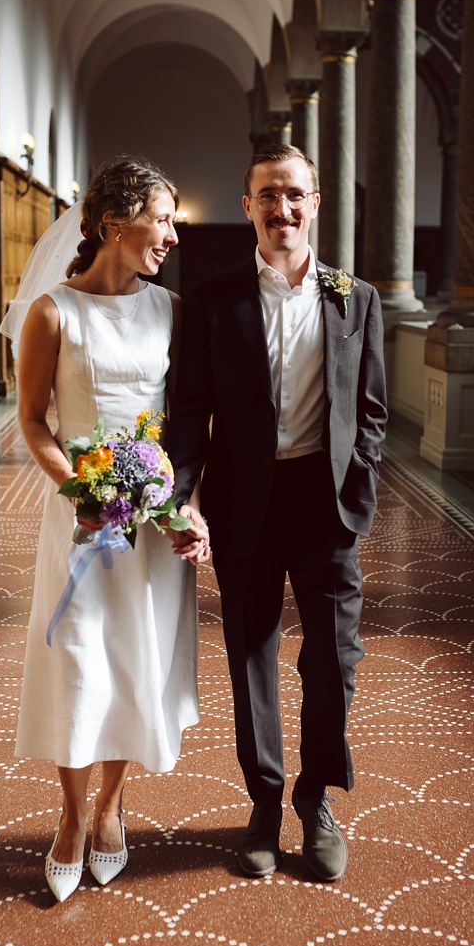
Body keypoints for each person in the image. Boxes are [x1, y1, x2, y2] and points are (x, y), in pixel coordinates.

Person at [166, 143, 387, 884]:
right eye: (267, 196)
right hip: (244, 507)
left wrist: (359, 480)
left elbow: (372, 410)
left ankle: (316, 800)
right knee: (252, 658)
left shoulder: (355, 297)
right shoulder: (214, 297)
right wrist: (184, 497)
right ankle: (264, 804)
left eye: (295, 195)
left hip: (325, 509)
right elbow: (190, 409)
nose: (281, 209)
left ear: (315, 203)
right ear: (247, 206)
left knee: (333, 666)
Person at [1, 155, 207, 902]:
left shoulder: (170, 311)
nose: (172, 238)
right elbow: (32, 420)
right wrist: (80, 490)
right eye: (162, 220)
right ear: (114, 224)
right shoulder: (53, 312)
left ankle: (113, 807)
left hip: (150, 523)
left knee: (135, 660)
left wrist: (184, 501)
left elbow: (185, 425)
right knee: (79, 657)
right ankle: (67, 818)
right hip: (82, 523)